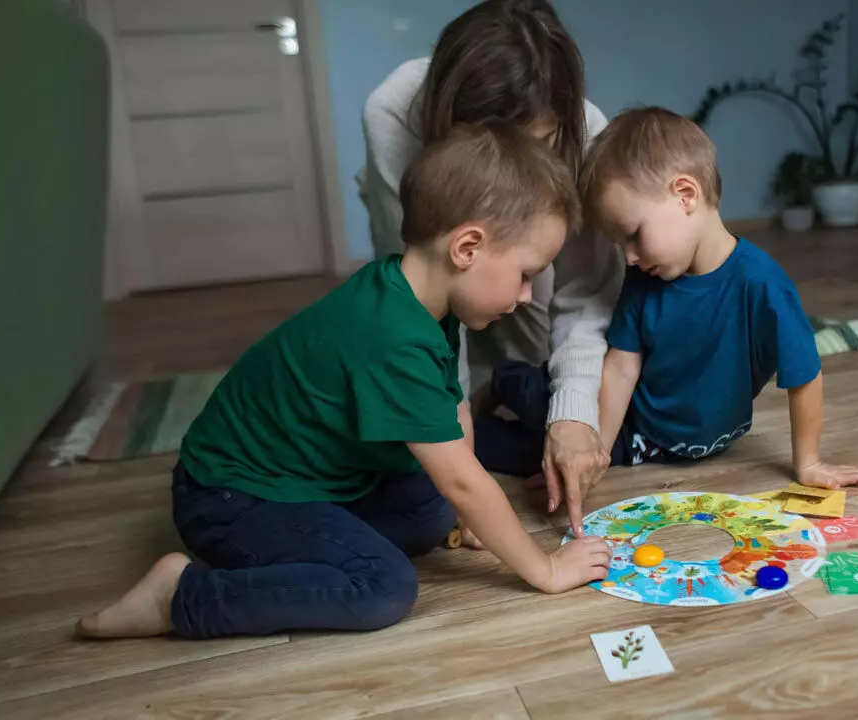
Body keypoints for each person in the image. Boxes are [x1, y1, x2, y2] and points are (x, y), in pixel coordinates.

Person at [76, 123, 609, 639]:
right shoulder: (393, 338)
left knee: (431, 508)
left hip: (310, 478)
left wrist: (466, 512)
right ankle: (181, 597)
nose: (524, 297)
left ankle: (330, 539)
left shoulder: (413, 294)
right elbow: (464, 480)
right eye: (525, 275)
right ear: (467, 248)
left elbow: (455, 416)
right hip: (232, 498)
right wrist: (545, 569)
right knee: (382, 586)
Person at [476, 107, 858, 492]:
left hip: (670, 444)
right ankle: (503, 383)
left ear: (686, 194)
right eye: (620, 245)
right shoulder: (642, 278)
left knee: (526, 456)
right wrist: (594, 451)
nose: (629, 258)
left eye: (634, 235)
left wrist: (808, 463)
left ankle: (474, 429)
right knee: (543, 413)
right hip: (637, 425)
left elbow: (804, 375)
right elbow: (619, 369)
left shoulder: (762, 285)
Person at [358, 0, 622, 537]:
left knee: (540, 386)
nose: (527, 172)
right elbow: (420, 303)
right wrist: (458, 464)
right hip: (423, 276)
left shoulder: (587, 132)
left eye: (542, 145)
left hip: (531, 264)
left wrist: (572, 415)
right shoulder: (393, 113)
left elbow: (586, 292)